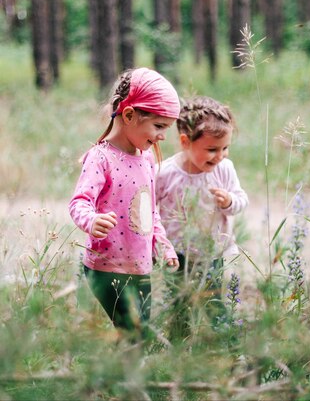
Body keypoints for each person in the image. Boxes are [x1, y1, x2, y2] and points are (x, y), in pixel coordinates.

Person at [69, 67, 180, 339]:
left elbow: (149, 212)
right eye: (159, 126)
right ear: (129, 115)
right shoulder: (101, 158)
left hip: (141, 266)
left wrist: (163, 246)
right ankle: (115, 380)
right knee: (134, 334)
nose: (163, 136)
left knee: (138, 336)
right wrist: (92, 220)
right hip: (106, 268)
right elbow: (79, 202)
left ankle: (119, 378)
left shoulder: (146, 159)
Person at [155, 96, 248, 338]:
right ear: (185, 141)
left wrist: (229, 201)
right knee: (179, 303)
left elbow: (241, 200)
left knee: (213, 302)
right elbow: (151, 209)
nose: (220, 156)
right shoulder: (165, 173)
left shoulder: (224, 170)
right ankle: (179, 345)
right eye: (211, 150)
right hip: (176, 254)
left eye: (225, 148)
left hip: (210, 252)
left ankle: (225, 345)